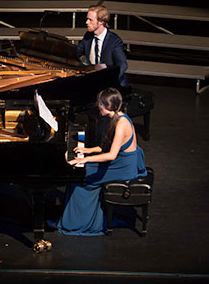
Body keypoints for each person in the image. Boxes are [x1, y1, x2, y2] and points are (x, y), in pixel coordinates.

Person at [58, 87, 147, 235]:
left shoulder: (121, 124)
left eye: (100, 103)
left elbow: (111, 155)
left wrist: (85, 159)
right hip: (119, 162)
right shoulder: (116, 118)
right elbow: (106, 147)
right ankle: (73, 218)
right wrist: (89, 150)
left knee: (82, 180)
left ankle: (82, 224)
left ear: (107, 105)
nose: (98, 105)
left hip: (122, 167)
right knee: (81, 173)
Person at [76, 4, 128, 87]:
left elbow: (123, 65)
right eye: (87, 19)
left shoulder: (114, 41)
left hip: (110, 83)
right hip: (92, 79)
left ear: (101, 22)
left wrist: (109, 80)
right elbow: (77, 52)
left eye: (90, 20)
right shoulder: (88, 36)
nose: (86, 22)